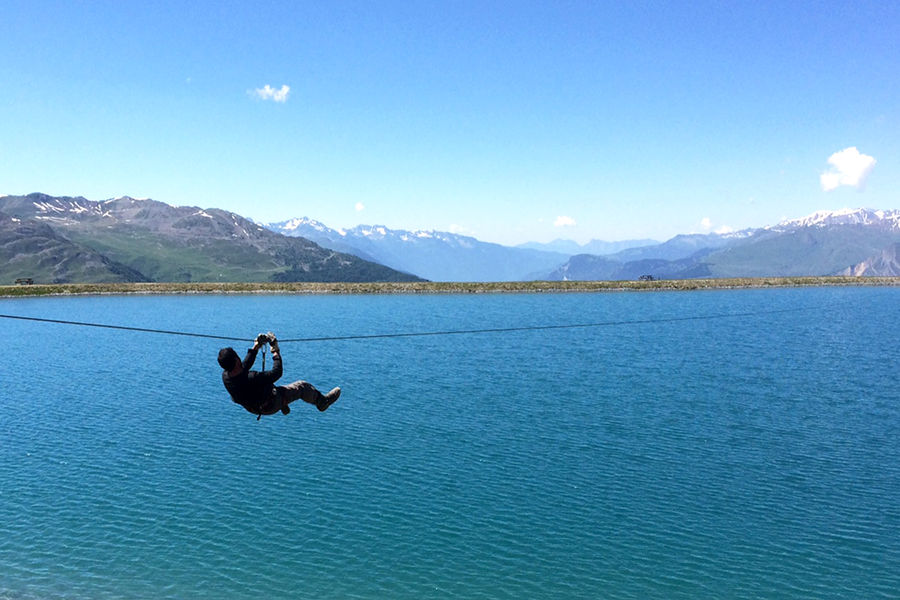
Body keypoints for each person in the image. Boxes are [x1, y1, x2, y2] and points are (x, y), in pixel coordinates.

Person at [218, 332, 340, 419]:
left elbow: (243, 367)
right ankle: (322, 402)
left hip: (253, 406)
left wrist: (256, 346)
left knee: (268, 387)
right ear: (237, 359)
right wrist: (275, 350)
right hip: (270, 404)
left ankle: (283, 401)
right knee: (302, 387)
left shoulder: (226, 376)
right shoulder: (252, 378)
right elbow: (277, 373)